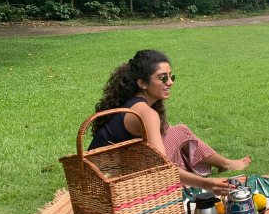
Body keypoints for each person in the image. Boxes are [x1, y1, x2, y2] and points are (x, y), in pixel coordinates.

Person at [88, 49, 251, 196]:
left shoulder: (129, 101)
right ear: (142, 83)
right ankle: (226, 164)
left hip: (95, 179)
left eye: (170, 76)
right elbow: (162, 167)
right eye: (162, 78)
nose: (170, 82)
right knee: (180, 132)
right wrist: (206, 184)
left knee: (174, 130)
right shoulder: (146, 113)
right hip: (113, 184)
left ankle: (225, 163)